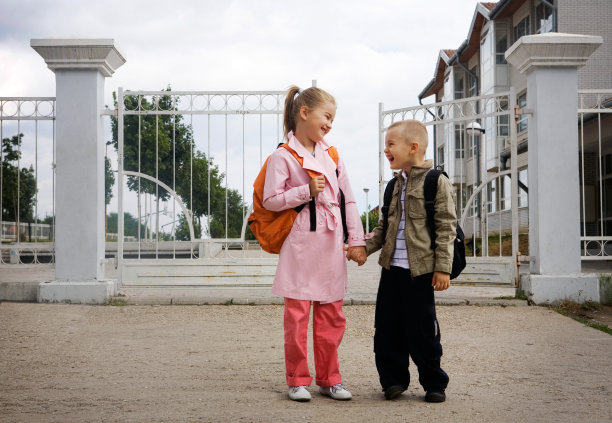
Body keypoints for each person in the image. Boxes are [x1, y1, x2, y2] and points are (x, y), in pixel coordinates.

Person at [263, 85, 366, 402]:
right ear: (304, 113)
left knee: (332, 315)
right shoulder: (282, 156)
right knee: (296, 316)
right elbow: (270, 200)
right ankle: (296, 379)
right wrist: (304, 191)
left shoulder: (332, 155)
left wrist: (357, 240)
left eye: (333, 118)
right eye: (327, 116)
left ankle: (330, 378)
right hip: (301, 243)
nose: (330, 124)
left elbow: (348, 200)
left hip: (331, 243)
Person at [348, 120, 455, 402]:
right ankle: (393, 381)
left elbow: (446, 228)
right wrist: (363, 248)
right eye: (386, 145)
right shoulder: (392, 187)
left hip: (420, 272)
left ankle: (434, 382)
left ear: (413, 147)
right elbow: (384, 228)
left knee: (422, 330)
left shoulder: (435, 182)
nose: (386, 150)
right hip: (391, 270)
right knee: (386, 329)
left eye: (391, 144)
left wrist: (443, 268)